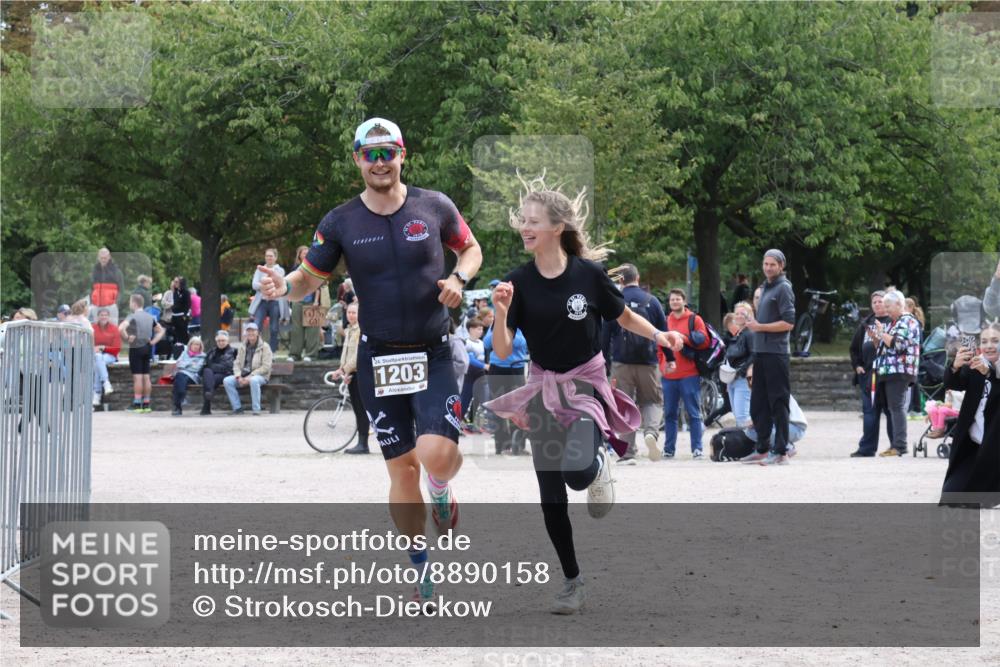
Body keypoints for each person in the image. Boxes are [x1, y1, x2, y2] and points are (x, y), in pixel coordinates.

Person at [256, 117, 483, 609]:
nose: (380, 163)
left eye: (388, 153)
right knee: (401, 470)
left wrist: (459, 280)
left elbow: (469, 248)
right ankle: (422, 569)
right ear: (357, 160)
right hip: (379, 358)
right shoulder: (340, 221)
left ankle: (440, 489)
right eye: (370, 155)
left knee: (436, 456)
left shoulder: (434, 205)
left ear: (403, 154)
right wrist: (282, 287)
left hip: (432, 351)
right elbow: (307, 278)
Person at [485, 176, 683, 614]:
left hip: (586, 385)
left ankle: (598, 463)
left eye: (533, 220)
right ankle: (572, 581)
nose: (524, 227)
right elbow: (501, 349)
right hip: (542, 388)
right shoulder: (517, 283)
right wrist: (500, 313)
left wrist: (659, 334)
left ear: (557, 227)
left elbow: (624, 316)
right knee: (551, 496)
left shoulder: (588, 276)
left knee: (576, 473)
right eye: (522, 220)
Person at [601, 263, 666, 463]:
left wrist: (605, 362)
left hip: (622, 362)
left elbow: (605, 335)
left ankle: (628, 452)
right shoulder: (652, 301)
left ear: (620, 280)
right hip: (648, 362)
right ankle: (651, 432)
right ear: (637, 278)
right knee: (652, 401)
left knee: (624, 404)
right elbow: (663, 331)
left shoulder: (614, 301)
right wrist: (670, 359)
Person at [740, 250, 796, 465]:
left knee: (778, 403)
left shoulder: (783, 288)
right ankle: (762, 448)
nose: (768, 268)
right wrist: (752, 321)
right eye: (766, 264)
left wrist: (759, 326)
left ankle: (781, 451)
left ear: (781, 266)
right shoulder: (765, 288)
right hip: (761, 352)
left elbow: (789, 323)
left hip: (777, 353)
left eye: (773, 264)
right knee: (758, 403)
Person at [939, 322, 999, 506]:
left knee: (978, 501)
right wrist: (955, 367)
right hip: (976, 446)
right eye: (985, 341)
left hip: (996, 448)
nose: (989, 346)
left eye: (995, 341)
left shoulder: (989, 368)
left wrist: (990, 373)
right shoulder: (976, 364)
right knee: (950, 497)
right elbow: (953, 384)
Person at [658, 288, 710, 459]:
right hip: (669, 375)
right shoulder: (665, 320)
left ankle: (697, 449)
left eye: (678, 299)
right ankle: (669, 450)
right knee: (669, 414)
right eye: (672, 299)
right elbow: (659, 345)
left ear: (684, 301)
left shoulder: (695, 319)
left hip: (689, 374)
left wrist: (683, 337)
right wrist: (662, 364)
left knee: (693, 413)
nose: (675, 302)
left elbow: (704, 341)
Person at [871, 290, 922, 457]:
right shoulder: (895, 322)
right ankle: (896, 444)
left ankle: (900, 446)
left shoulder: (908, 320)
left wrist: (882, 333)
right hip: (890, 370)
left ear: (899, 304)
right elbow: (885, 346)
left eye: (888, 306)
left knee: (897, 407)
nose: (886, 310)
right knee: (893, 407)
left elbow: (898, 345)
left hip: (900, 370)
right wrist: (877, 338)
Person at [848, 291, 894, 457]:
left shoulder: (894, 322)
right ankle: (867, 448)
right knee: (869, 412)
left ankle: (896, 446)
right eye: (874, 302)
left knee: (891, 411)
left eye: (880, 301)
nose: (877, 304)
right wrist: (857, 366)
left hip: (888, 374)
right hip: (868, 375)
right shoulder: (865, 324)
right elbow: (854, 348)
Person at [483, 310, 529, 456]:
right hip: (497, 369)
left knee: (518, 407)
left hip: (516, 368)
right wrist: (499, 327)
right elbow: (487, 343)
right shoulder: (497, 322)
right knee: (498, 407)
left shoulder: (520, 322)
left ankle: (518, 445)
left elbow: (522, 343)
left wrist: (503, 336)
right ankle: (501, 444)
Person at [331, 301, 371, 454]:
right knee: (358, 409)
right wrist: (343, 370)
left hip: (360, 372)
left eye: (354, 312)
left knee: (361, 409)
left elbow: (358, 355)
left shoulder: (361, 330)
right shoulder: (349, 330)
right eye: (349, 312)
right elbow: (346, 354)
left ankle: (363, 443)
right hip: (351, 372)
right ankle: (361, 442)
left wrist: (344, 370)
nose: (351, 315)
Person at [119, 294, 165, 413]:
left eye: (130, 302)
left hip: (136, 347)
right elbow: (161, 330)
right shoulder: (150, 316)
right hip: (147, 347)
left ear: (134, 304)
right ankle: (146, 404)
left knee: (137, 377)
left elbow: (121, 328)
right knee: (146, 376)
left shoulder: (132, 316)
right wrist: (153, 341)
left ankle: (137, 405)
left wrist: (127, 337)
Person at [289, 245, 331, 362]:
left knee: (313, 330)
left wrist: (316, 301)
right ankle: (294, 355)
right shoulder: (295, 268)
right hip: (297, 301)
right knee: (296, 329)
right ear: (299, 255)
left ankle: (311, 355)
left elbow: (320, 285)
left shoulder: (316, 267)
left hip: (313, 301)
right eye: (304, 253)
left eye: (308, 252)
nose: (307, 255)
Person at [223, 322, 272, 415]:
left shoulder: (265, 347)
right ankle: (237, 408)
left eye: (253, 331)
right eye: (248, 331)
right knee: (227, 381)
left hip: (260, 376)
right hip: (243, 375)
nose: (251, 333)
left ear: (258, 333)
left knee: (254, 380)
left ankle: (256, 410)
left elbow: (266, 366)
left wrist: (251, 376)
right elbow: (236, 363)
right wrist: (238, 376)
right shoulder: (242, 346)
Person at [250, 249, 289, 353]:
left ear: (275, 258)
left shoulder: (280, 270)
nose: (268, 258)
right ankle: (255, 350)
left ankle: (272, 352)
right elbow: (254, 285)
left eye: (271, 256)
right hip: (262, 302)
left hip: (275, 302)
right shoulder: (260, 269)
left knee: (274, 328)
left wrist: (264, 285)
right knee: (256, 326)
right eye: (267, 256)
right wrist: (265, 286)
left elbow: (279, 285)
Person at [722, 302, 755, 427]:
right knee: (738, 416)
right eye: (737, 313)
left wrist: (741, 372)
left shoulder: (749, 334)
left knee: (743, 418)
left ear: (749, 315)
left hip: (743, 379)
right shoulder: (738, 335)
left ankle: (752, 439)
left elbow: (755, 355)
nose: (739, 316)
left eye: (743, 313)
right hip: (732, 380)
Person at [201, 330, 236, 415]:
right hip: (211, 375)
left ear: (228, 341)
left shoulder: (234, 352)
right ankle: (209, 393)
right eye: (218, 341)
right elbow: (205, 365)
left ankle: (206, 407)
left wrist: (212, 367)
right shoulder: (211, 351)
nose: (221, 343)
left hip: (226, 375)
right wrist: (211, 368)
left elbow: (228, 367)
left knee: (210, 378)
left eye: (223, 340)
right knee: (207, 372)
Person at [461, 318, 487, 432]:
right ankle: (456, 424)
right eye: (478, 329)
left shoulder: (481, 343)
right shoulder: (467, 343)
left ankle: (472, 423)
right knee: (465, 401)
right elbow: (470, 359)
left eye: (482, 329)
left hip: (480, 376)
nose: (481, 331)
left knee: (481, 400)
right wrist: (484, 366)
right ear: (471, 329)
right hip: (469, 376)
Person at [171, 337, 206, 416]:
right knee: (180, 377)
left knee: (179, 378)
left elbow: (196, 368)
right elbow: (178, 364)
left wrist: (185, 364)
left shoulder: (203, 356)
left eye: (198, 345)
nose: (196, 346)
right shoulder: (184, 353)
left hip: (193, 377)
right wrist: (190, 364)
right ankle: (181, 398)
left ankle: (177, 406)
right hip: (181, 375)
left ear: (200, 346)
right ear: (190, 345)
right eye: (194, 344)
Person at [92, 308, 119, 407]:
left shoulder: (114, 329)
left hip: (110, 355)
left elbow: (117, 348)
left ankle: (97, 393)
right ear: (98, 317)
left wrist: (103, 348)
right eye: (101, 315)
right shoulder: (93, 328)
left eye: (105, 315)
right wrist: (93, 348)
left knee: (98, 360)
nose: (103, 317)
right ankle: (106, 383)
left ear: (109, 317)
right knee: (98, 358)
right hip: (95, 355)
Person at [89, 247, 124, 322]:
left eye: (105, 258)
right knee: (96, 327)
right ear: (98, 257)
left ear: (109, 257)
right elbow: (91, 288)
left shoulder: (116, 271)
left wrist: (116, 303)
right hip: (96, 305)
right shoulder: (94, 270)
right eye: (101, 258)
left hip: (111, 306)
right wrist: (92, 302)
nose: (103, 260)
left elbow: (121, 289)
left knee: (112, 327)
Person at [170, 276, 192, 353]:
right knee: (176, 335)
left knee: (183, 335)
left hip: (182, 316)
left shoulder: (186, 292)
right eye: (174, 281)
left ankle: (186, 350)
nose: (174, 283)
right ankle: (177, 351)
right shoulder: (175, 292)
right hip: (174, 316)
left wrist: (185, 316)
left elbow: (188, 305)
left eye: (176, 282)